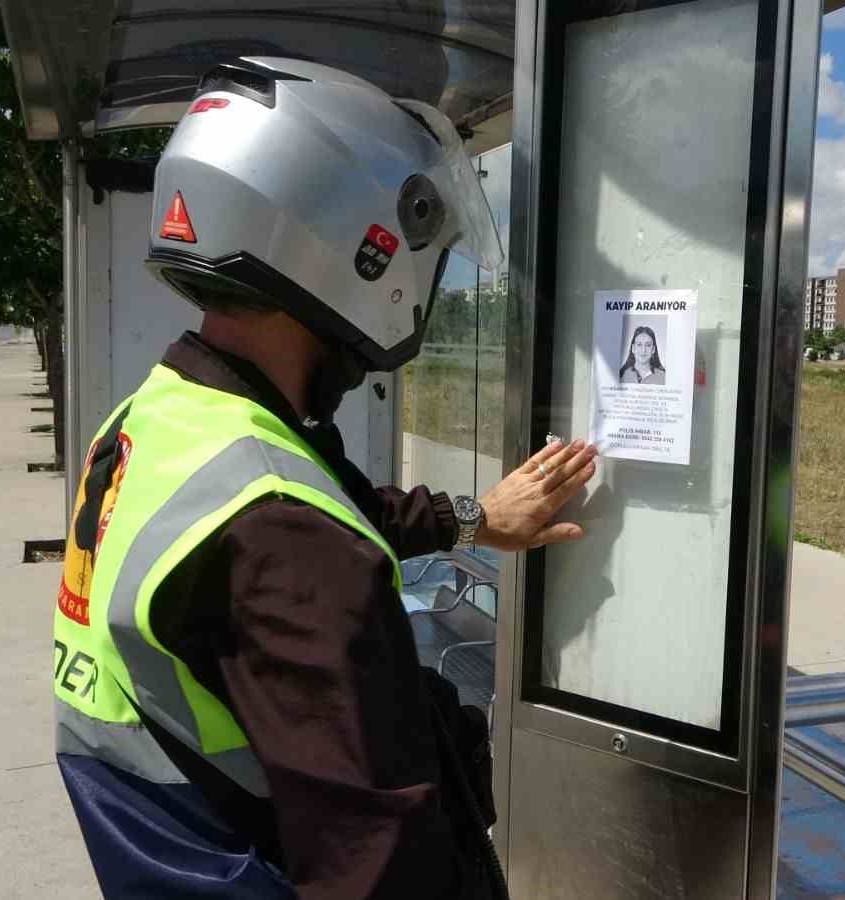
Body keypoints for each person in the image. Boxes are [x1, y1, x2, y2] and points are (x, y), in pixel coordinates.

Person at [51, 58, 597, 900]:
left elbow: (321, 505)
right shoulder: (280, 530)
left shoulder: (158, 422)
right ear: (356, 248)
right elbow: (376, 867)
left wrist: (472, 516)